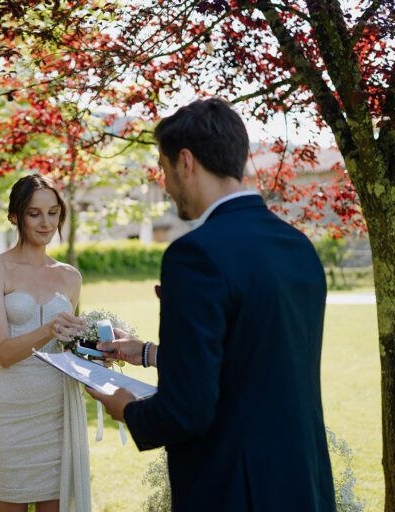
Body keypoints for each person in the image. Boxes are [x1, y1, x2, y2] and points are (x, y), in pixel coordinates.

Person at [86, 98, 335, 511]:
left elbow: (189, 410)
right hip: (301, 480)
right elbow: (255, 360)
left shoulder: (194, 255)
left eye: (164, 170)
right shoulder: (298, 246)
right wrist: (149, 353)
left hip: (235, 487)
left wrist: (128, 410)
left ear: (186, 162)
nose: (165, 185)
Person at [0, 174, 90, 512]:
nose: (46, 222)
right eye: (34, 213)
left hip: (56, 412)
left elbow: (70, 346)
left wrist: (94, 351)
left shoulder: (71, 276)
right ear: (15, 216)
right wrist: (51, 328)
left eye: (53, 213)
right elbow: (4, 352)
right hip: (7, 412)